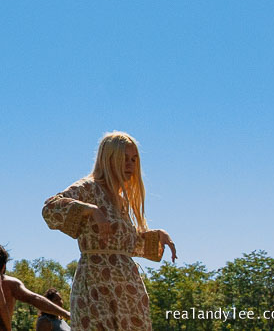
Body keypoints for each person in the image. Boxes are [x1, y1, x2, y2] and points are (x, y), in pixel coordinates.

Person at [43, 131, 177, 331]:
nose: (130, 165)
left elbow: (125, 244)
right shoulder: (89, 187)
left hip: (128, 291)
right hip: (97, 288)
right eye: (124, 159)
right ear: (109, 159)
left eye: (133, 159)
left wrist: (157, 235)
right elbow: (50, 209)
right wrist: (90, 210)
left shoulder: (120, 200)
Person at [0, 243, 71, 330]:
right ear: (4, 267)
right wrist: (66, 314)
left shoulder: (8, 284)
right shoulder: (10, 284)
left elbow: (34, 299)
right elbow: (34, 299)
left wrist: (66, 314)